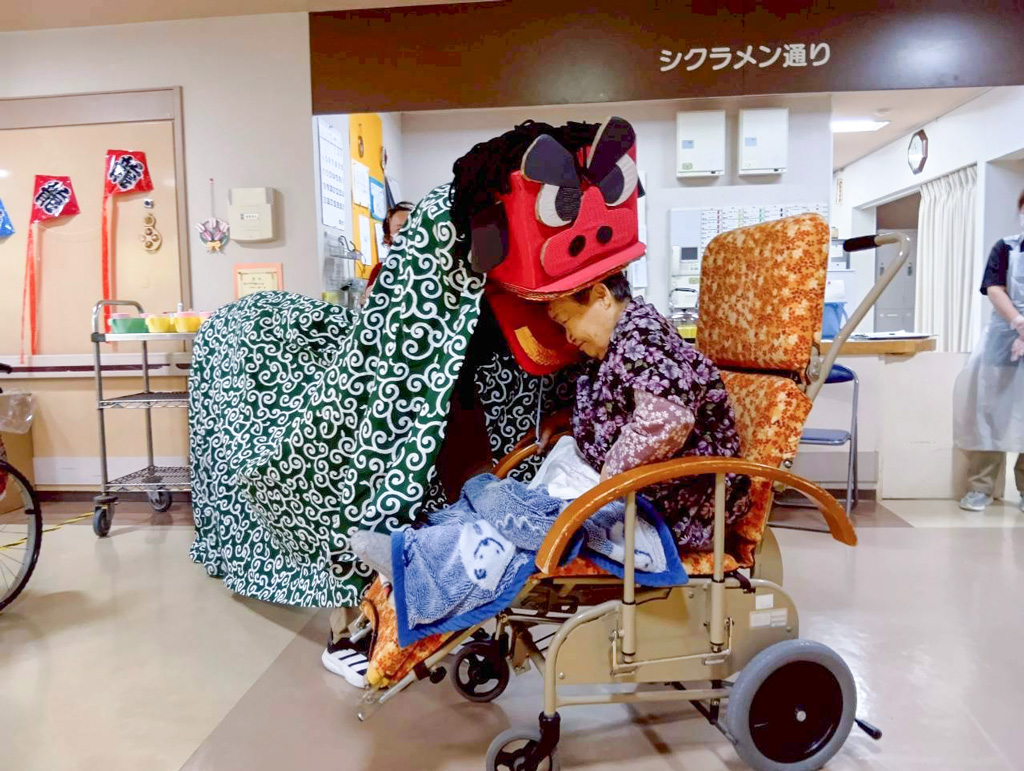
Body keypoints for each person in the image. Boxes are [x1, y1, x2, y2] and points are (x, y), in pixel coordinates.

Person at [545, 273, 751, 549]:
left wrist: (608, 477)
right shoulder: (619, 340)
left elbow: (668, 419)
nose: (569, 337)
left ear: (601, 296)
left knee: (536, 526)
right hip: (643, 494)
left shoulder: (641, 337)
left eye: (566, 321)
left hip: (686, 510)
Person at [954, 189, 1024, 512]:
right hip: (1003, 343)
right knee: (991, 414)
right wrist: (1018, 322)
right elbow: (994, 288)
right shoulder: (1006, 248)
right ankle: (980, 488)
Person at [361, 201, 414, 305]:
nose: (408, 232)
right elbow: (369, 305)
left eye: (412, 227)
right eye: (400, 229)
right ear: (389, 237)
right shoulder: (380, 270)